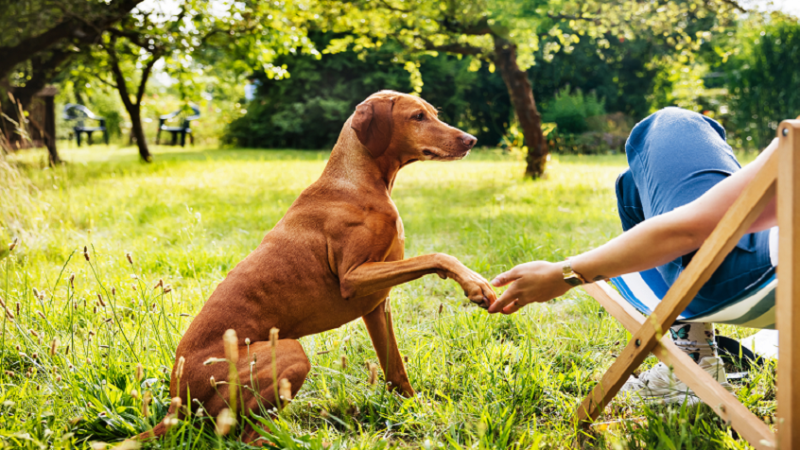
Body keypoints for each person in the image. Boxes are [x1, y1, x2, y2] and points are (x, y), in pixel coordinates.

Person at [488, 107, 780, 404]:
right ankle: (690, 355)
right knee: (633, 185)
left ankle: (690, 361)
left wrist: (566, 274)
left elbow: (689, 231)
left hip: (748, 280)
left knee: (674, 123)